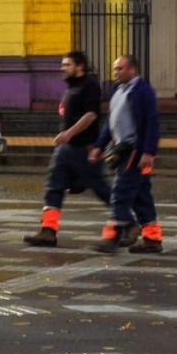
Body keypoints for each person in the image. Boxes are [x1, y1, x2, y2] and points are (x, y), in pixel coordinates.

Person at [23, 51, 111, 246]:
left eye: (67, 65)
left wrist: (68, 133)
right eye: (63, 65)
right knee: (54, 187)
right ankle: (48, 231)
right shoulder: (71, 88)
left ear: (79, 67)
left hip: (83, 148)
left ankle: (127, 222)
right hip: (66, 149)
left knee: (101, 188)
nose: (63, 68)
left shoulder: (90, 86)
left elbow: (91, 115)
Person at [94, 52, 162, 254]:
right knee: (141, 197)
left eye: (120, 68)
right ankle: (152, 239)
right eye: (115, 68)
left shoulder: (143, 91)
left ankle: (112, 236)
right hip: (121, 149)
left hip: (135, 151)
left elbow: (152, 123)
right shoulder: (118, 90)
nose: (115, 72)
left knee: (120, 192)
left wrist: (148, 152)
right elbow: (110, 122)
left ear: (133, 69)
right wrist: (99, 145)